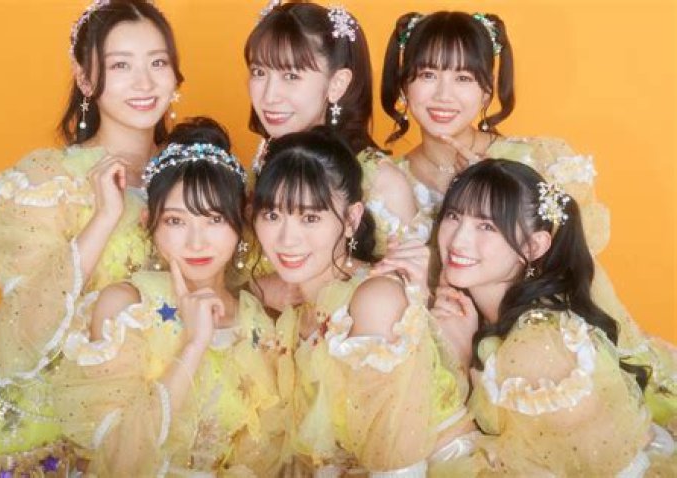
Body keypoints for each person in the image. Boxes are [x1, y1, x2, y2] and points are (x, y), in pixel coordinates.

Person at [381, 10, 677, 428]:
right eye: (428, 74)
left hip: (540, 352)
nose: (443, 95)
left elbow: (574, 258)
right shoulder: (385, 181)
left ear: (487, 90)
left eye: (463, 77)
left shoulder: (532, 159)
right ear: (404, 85)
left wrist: (493, 184)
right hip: (447, 356)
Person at [0, 1, 183, 474]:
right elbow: (28, 316)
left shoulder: (194, 174)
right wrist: (104, 218)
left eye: (157, 62)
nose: (144, 83)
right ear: (85, 79)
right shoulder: (49, 181)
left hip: (167, 404)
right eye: (120, 66)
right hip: (61, 413)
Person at [53, 118, 280, 476]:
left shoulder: (258, 325)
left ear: (240, 223)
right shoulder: (126, 308)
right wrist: (193, 346)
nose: (196, 242)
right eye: (176, 221)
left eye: (214, 220)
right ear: (149, 221)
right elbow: (118, 459)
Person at [433, 159, 674, 475]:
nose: (458, 240)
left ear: (534, 246)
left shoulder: (539, 345)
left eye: (487, 226)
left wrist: (465, 361)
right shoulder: (482, 317)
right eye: (454, 216)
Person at [251, 127, 470, 475]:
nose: (287, 239)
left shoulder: (374, 299)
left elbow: (398, 467)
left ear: (352, 219)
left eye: (310, 217)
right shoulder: (294, 314)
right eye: (272, 215)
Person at [246, 2, 429, 259]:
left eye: (291, 76)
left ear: (337, 83)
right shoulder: (264, 159)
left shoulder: (380, 183)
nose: (269, 96)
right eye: (259, 72)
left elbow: (410, 280)